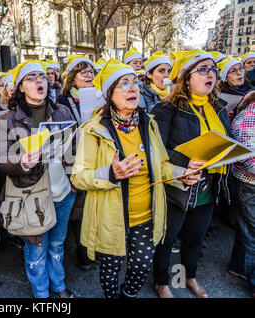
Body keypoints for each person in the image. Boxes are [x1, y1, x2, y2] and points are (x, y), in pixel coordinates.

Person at [70, 58, 199, 299]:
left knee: (140, 268)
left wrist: (183, 174)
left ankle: (127, 295)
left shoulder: (148, 123)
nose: (133, 88)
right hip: (112, 217)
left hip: (147, 215)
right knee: (110, 269)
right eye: (124, 84)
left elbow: (161, 165)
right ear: (109, 94)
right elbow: (78, 177)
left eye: (135, 83)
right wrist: (111, 173)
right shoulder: (93, 130)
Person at [151, 49, 232, 298]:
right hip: (178, 187)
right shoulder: (166, 109)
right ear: (186, 78)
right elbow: (159, 150)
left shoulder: (219, 108)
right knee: (168, 238)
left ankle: (190, 277)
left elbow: (225, 141)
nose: (211, 74)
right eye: (203, 69)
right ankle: (162, 282)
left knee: (195, 238)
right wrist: (183, 168)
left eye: (213, 70)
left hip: (209, 186)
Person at [0, 60, 77, 298]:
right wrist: (22, 163)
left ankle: (58, 285)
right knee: (37, 249)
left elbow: (74, 146)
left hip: (63, 192)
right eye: (31, 77)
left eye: (41, 76)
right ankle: (41, 294)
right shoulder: (5, 120)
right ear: (20, 87)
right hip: (31, 195)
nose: (39, 80)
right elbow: (0, 161)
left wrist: (73, 183)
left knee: (58, 245)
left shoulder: (62, 110)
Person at [56, 55, 95, 271]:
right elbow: (62, 140)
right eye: (83, 72)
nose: (89, 75)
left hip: (96, 160)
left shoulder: (101, 97)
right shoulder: (62, 102)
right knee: (79, 210)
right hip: (74, 162)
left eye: (91, 71)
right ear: (72, 78)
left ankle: (93, 248)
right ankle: (83, 253)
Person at [228, 93, 255, 298]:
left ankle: (238, 266)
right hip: (249, 184)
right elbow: (246, 155)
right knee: (252, 235)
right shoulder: (249, 116)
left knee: (247, 229)